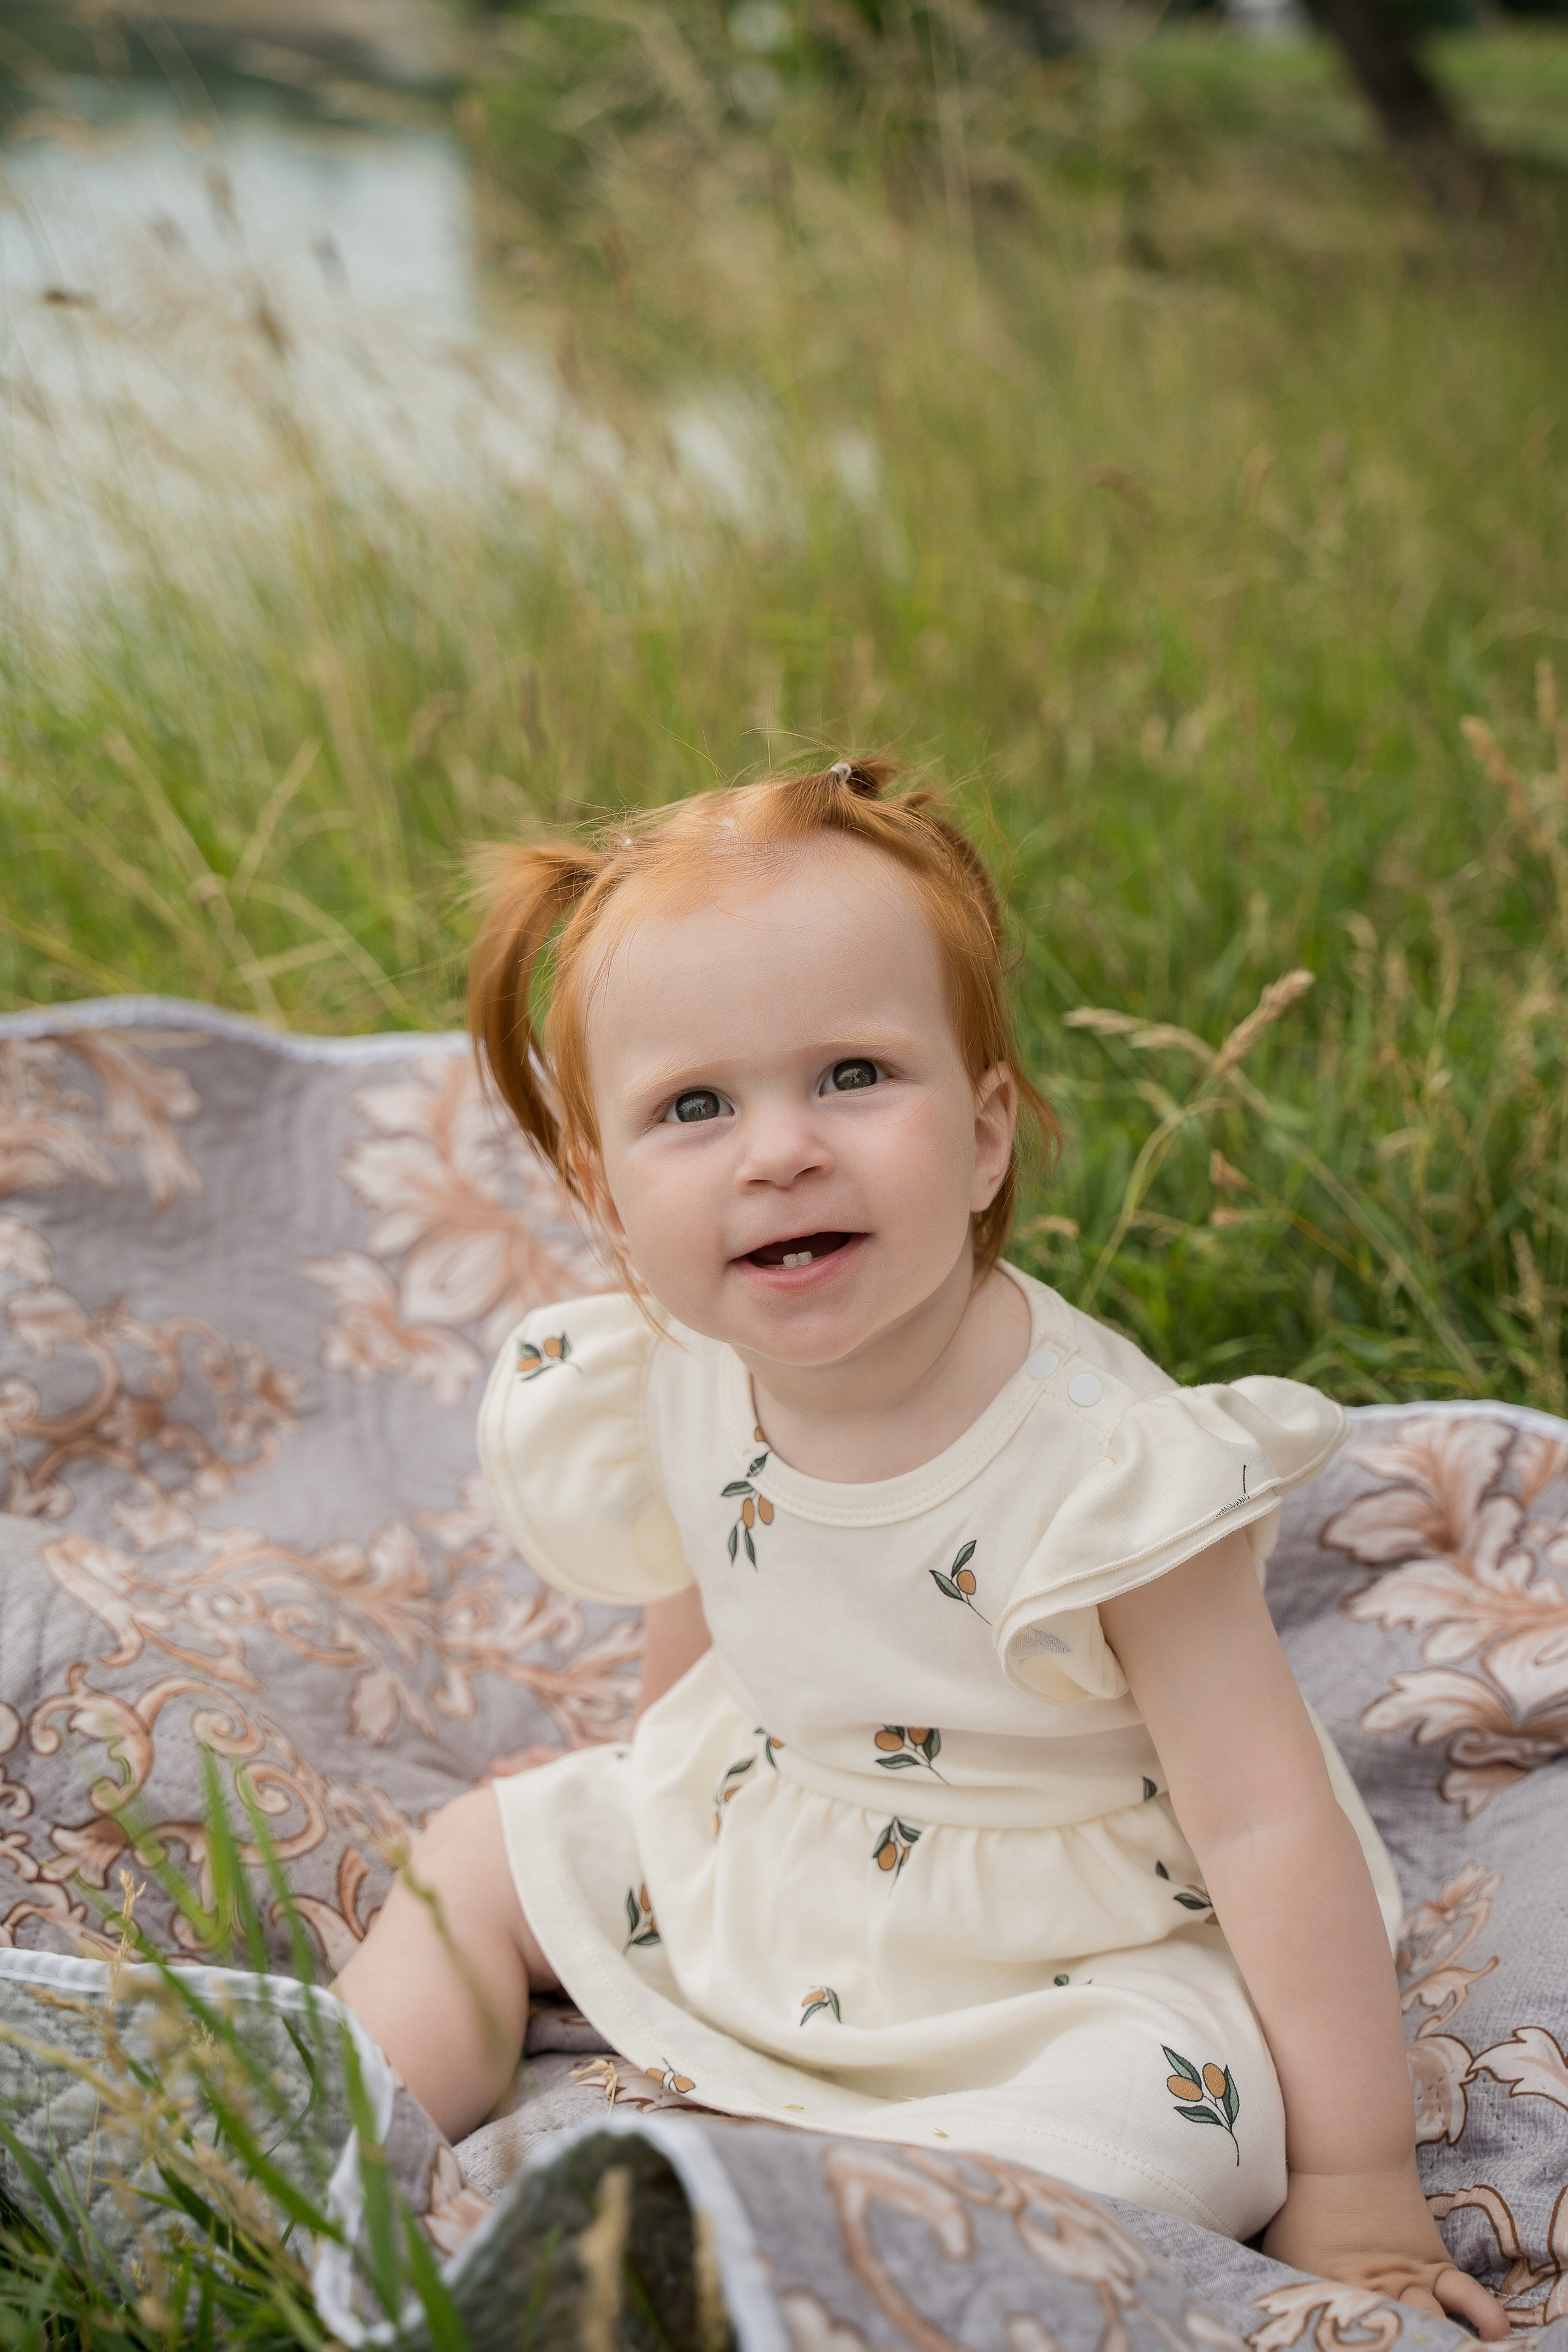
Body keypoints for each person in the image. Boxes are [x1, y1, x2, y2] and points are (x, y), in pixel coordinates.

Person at [335, 760, 1505, 2332]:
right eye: (697, 1107)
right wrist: (662, 1815)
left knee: (1165, 2122)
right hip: (789, 1830)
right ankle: (328, 2148)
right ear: (607, 1201)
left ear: (984, 1134)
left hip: (1077, 1940)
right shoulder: (670, 1365)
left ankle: (819, 2256)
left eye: (852, 1076)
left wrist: (1356, 2188)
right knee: (486, 1850)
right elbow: (710, 1608)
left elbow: (1263, 1823)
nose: (778, 1153)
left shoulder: (1106, 1472)